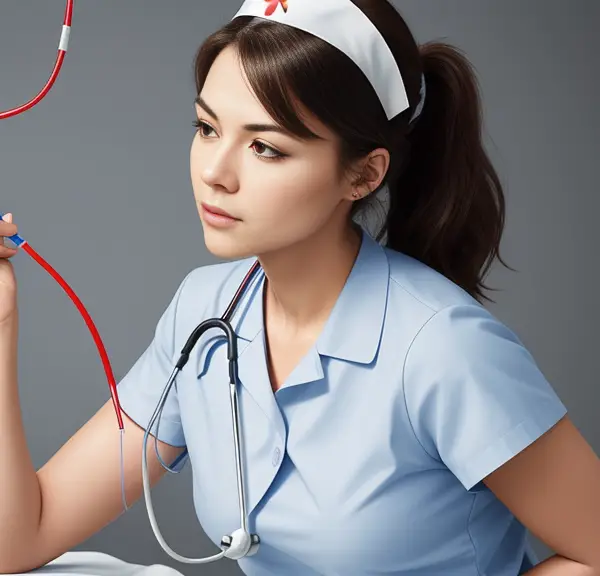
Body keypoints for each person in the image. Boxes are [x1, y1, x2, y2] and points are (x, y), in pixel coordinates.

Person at [1, 1, 599, 575]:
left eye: (265, 147)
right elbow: (21, 537)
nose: (214, 172)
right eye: (207, 128)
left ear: (363, 174)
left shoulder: (443, 348)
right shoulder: (205, 312)